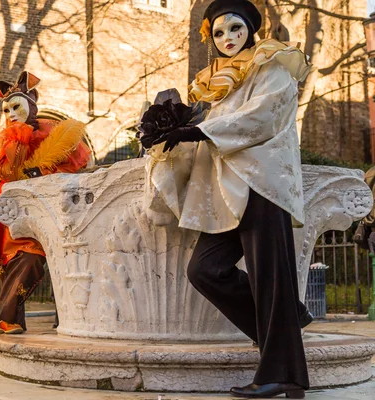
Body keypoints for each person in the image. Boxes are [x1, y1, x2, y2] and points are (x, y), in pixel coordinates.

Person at [140, 1, 313, 398]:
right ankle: (287, 326)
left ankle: (281, 376)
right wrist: (173, 134)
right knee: (205, 270)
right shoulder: (218, 84)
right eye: (218, 33)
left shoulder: (271, 69)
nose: (227, 39)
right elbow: (209, 133)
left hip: (264, 187)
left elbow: (263, 118)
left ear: (250, 30)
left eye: (235, 29)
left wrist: (199, 133)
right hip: (227, 193)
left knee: (271, 278)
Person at [0, 71, 91, 336]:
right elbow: (7, 172)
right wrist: (17, 142)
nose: (11, 114)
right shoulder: (4, 140)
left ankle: (63, 319)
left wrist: (40, 172)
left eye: (16, 107)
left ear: (32, 104)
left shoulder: (50, 134)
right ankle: (9, 327)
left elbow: (68, 167)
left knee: (32, 260)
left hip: (44, 209)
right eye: (6, 110)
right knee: (8, 268)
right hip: (9, 208)